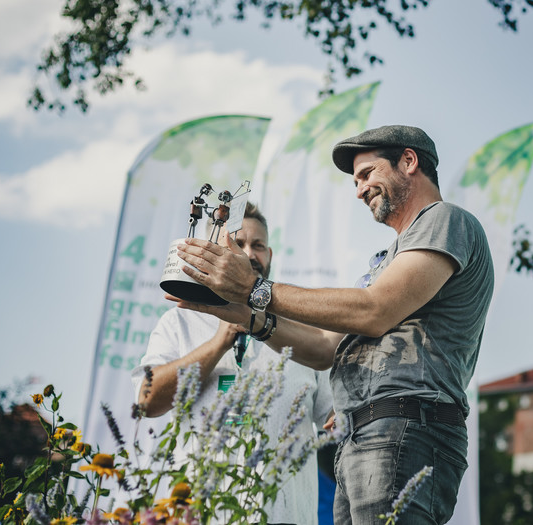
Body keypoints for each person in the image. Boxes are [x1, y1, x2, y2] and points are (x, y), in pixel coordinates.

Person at [171, 125, 495, 525]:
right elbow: (325, 348)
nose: (359, 190)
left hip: (404, 428)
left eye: (367, 174)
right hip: (364, 439)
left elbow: (374, 310)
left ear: (409, 162)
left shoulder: (444, 219)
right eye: (356, 181)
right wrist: (247, 317)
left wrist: (256, 289)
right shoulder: (386, 259)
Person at [131, 202, 333, 525]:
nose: (249, 254)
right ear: (214, 251)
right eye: (237, 243)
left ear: (269, 256)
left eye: (258, 246)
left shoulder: (302, 334)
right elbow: (146, 400)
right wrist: (217, 343)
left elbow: (335, 419)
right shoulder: (179, 323)